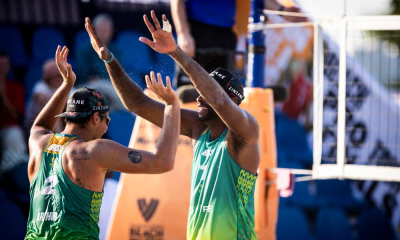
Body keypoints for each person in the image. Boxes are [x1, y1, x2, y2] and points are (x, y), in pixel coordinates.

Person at [85, 10, 260, 239]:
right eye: (199, 91)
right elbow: (137, 104)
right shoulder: (200, 129)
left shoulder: (246, 131)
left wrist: (176, 52)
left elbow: (217, 99)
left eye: (204, 92)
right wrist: (109, 60)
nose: (199, 97)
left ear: (233, 101)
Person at [25, 45, 181, 239]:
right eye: (107, 120)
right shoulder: (94, 151)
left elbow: (40, 123)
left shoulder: (39, 142)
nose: (106, 128)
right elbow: (163, 161)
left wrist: (66, 85)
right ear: (95, 119)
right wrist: (172, 106)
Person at [171, 0, 305, 88]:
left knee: (222, 93)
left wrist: (282, 10)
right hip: (197, 32)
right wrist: (183, 33)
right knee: (189, 91)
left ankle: (217, 131)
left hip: (226, 35)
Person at [0, 51, 27, 174]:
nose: (2, 69)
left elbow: (15, 116)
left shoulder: (16, 87)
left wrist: (2, 93)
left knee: (14, 134)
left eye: (4, 66)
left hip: (8, 128)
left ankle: (15, 176)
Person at [25, 59, 67, 134]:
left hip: (56, 120)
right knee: (54, 110)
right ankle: (61, 141)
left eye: (58, 75)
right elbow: (48, 105)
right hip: (35, 124)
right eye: (52, 76)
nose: (56, 79)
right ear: (47, 78)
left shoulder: (67, 87)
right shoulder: (40, 87)